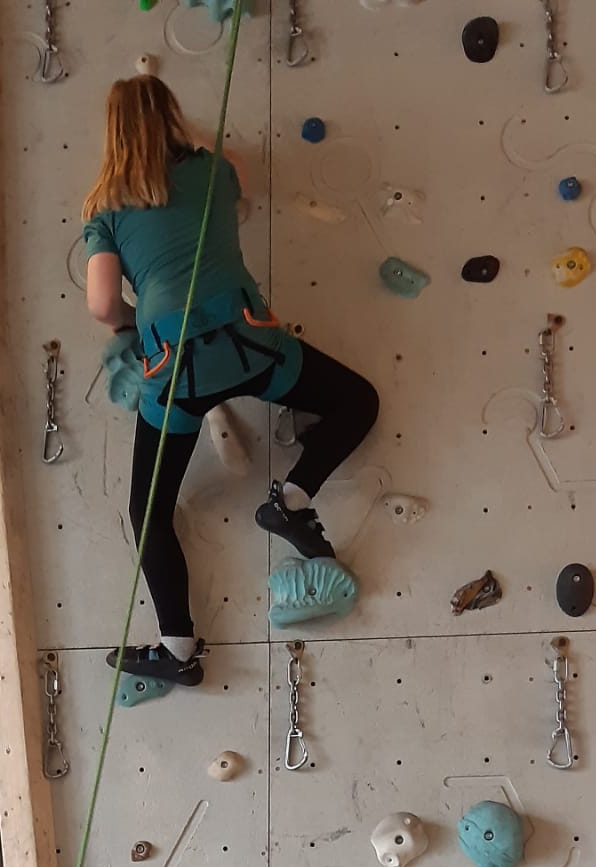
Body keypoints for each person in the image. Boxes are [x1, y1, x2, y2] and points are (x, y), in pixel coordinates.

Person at [82, 74, 379, 688]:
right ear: (171, 116)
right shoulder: (214, 172)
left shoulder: (105, 210)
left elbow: (103, 305)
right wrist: (184, 134)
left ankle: (178, 648)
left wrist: (136, 327)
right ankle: (291, 502)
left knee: (149, 509)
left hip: (178, 373)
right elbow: (233, 164)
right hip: (251, 347)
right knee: (357, 402)